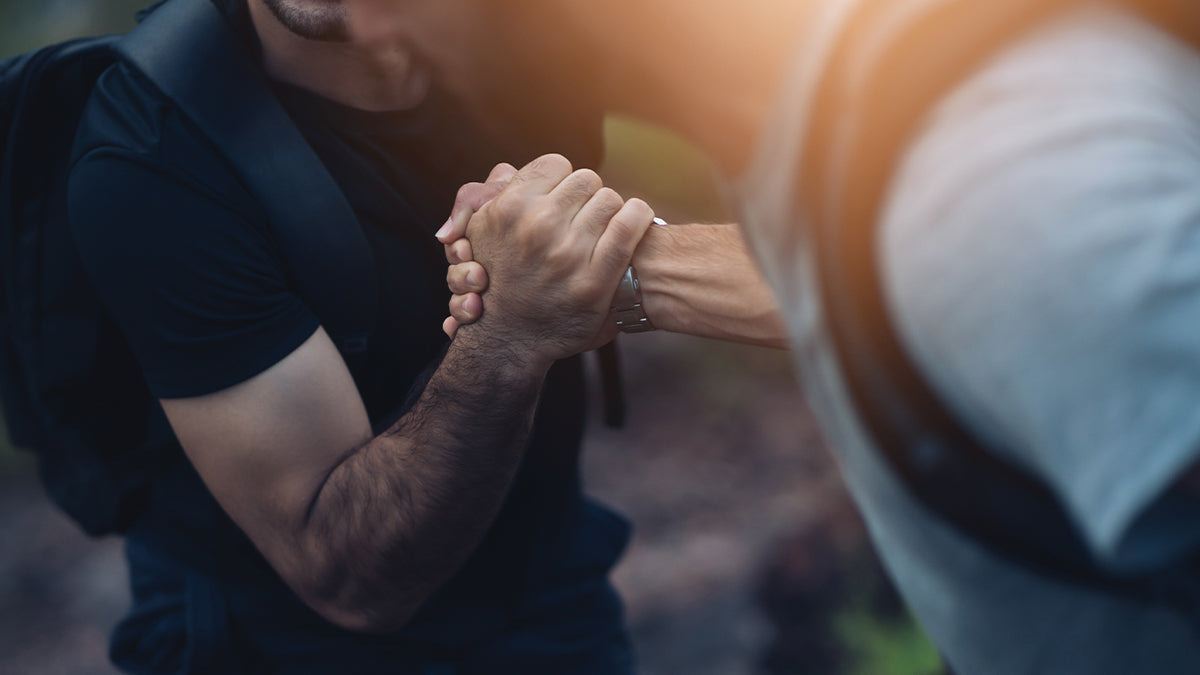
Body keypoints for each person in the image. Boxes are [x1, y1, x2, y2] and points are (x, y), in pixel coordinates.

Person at [433, 0, 1200, 672]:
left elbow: (998, 259)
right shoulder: (855, 122)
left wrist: (598, 269)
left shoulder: (992, 171)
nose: (369, 19)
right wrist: (614, 271)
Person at [64, 0, 669, 672]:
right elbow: (350, 578)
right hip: (280, 644)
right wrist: (509, 333)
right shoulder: (153, 153)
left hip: (547, 586)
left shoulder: (537, 38)